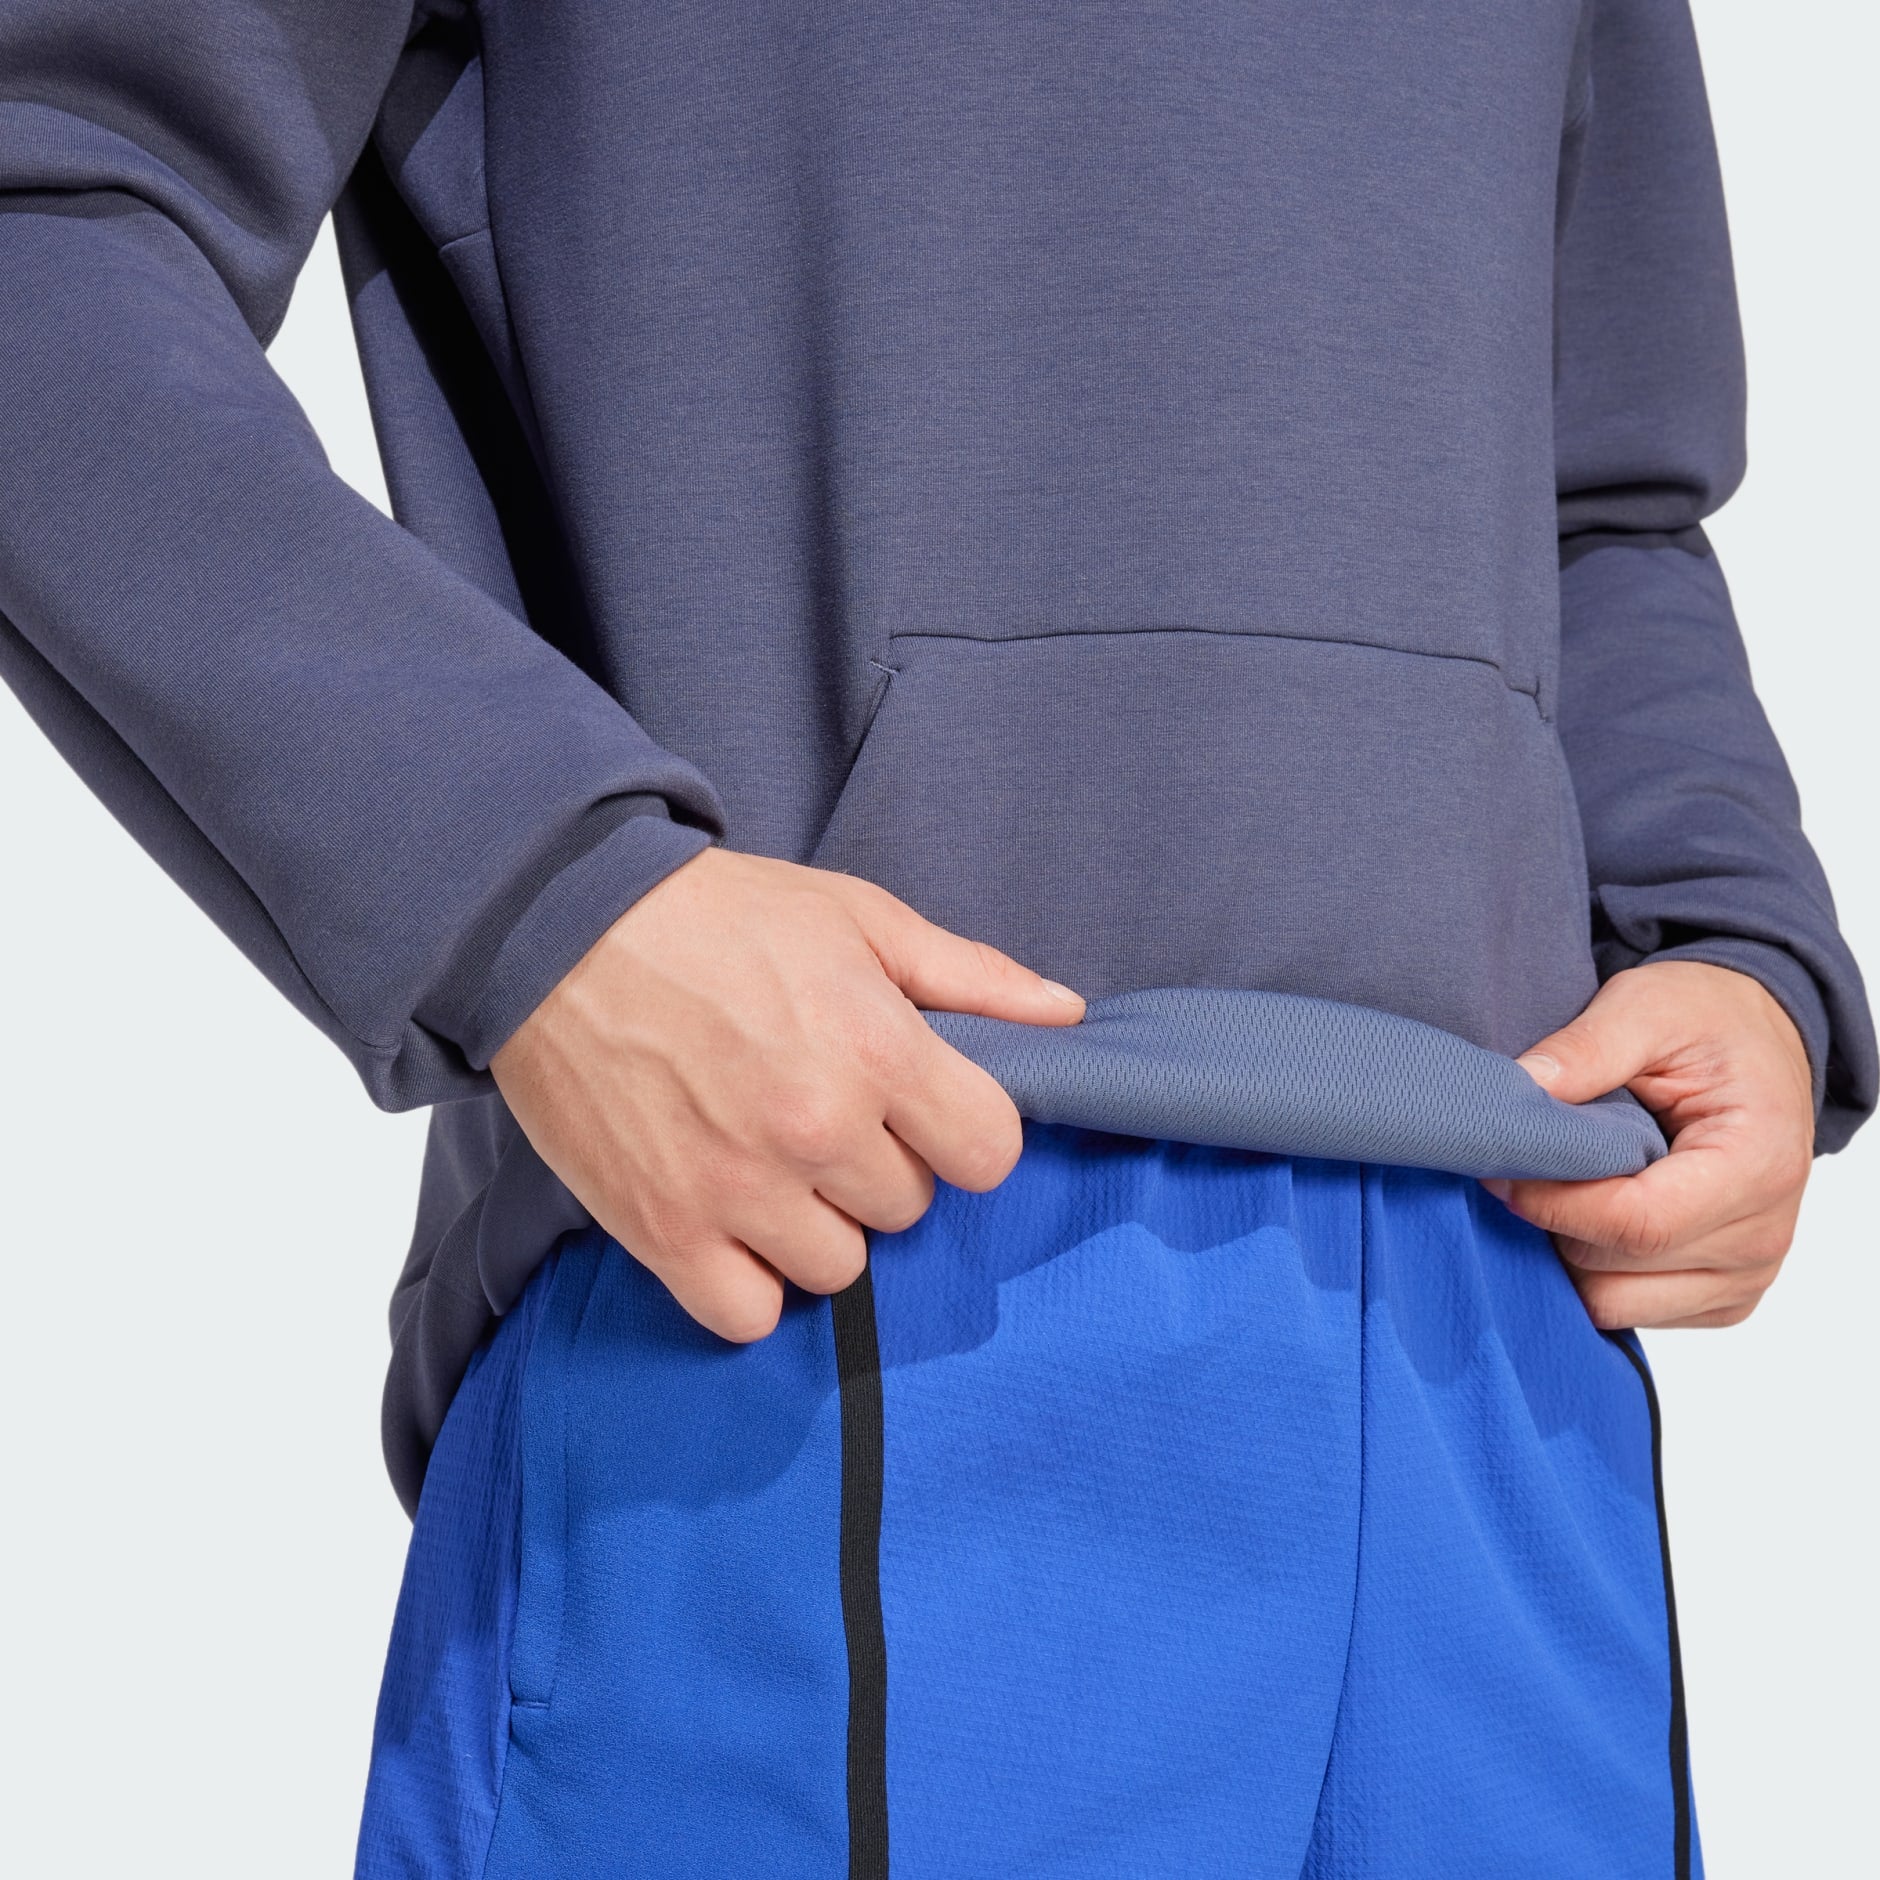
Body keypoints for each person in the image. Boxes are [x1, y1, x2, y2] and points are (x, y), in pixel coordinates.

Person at [1, 2, 1871, 1875]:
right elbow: (47, 201)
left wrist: (1729, 931)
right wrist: (542, 904)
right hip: (832, 1278)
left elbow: (1601, 489)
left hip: (1513, 1343)